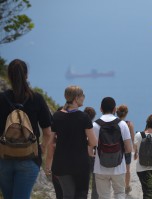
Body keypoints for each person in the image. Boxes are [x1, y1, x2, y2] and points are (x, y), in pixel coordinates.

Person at [0, 59, 53, 199]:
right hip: (29, 157)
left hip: (3, 158)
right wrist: (42, 148)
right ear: (27, 75)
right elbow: (47, 132)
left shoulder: (1, 98)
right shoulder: (37, 98)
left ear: (9, 76)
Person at [46, 85, 97, 199]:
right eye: (82, 95)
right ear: (76, 98)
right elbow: (93, 142)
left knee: (67, 195)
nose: (84, 97)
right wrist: (85, 143)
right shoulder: (84, 117)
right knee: (80, 194)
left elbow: (50, 141)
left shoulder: (57, 115)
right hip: (80, 163)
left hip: (61, 163)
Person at [93, 97, 132, 199]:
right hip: (119, 167)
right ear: (115, 109)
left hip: (100, 167)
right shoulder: (122, 124)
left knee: (103, 196)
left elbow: (90, 150)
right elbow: (128, 149)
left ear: (101, 109)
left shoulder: (95, 125)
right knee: (119, 194)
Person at [45, 107, 63, 199]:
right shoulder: (74, 129)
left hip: (57, 169)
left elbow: (50, 152)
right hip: (73, 169)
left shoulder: (54, 131)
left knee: (59, 194)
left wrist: (47, 167)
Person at [116, 104, 135, 194]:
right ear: (126, 113)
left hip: (117, 149)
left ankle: (118, 186)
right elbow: (132, 138)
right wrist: (135, 150)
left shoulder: (114, 123)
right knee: (127, 169)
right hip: (127, 149)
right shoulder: (129, 124)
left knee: (118, 168)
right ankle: (126, 186)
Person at [83, 106, 99, 199]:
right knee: (95, 183)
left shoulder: (78, 125)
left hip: (81, 156)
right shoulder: (93, 127)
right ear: (93, 117)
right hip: (93, 156)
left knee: (84, 182)